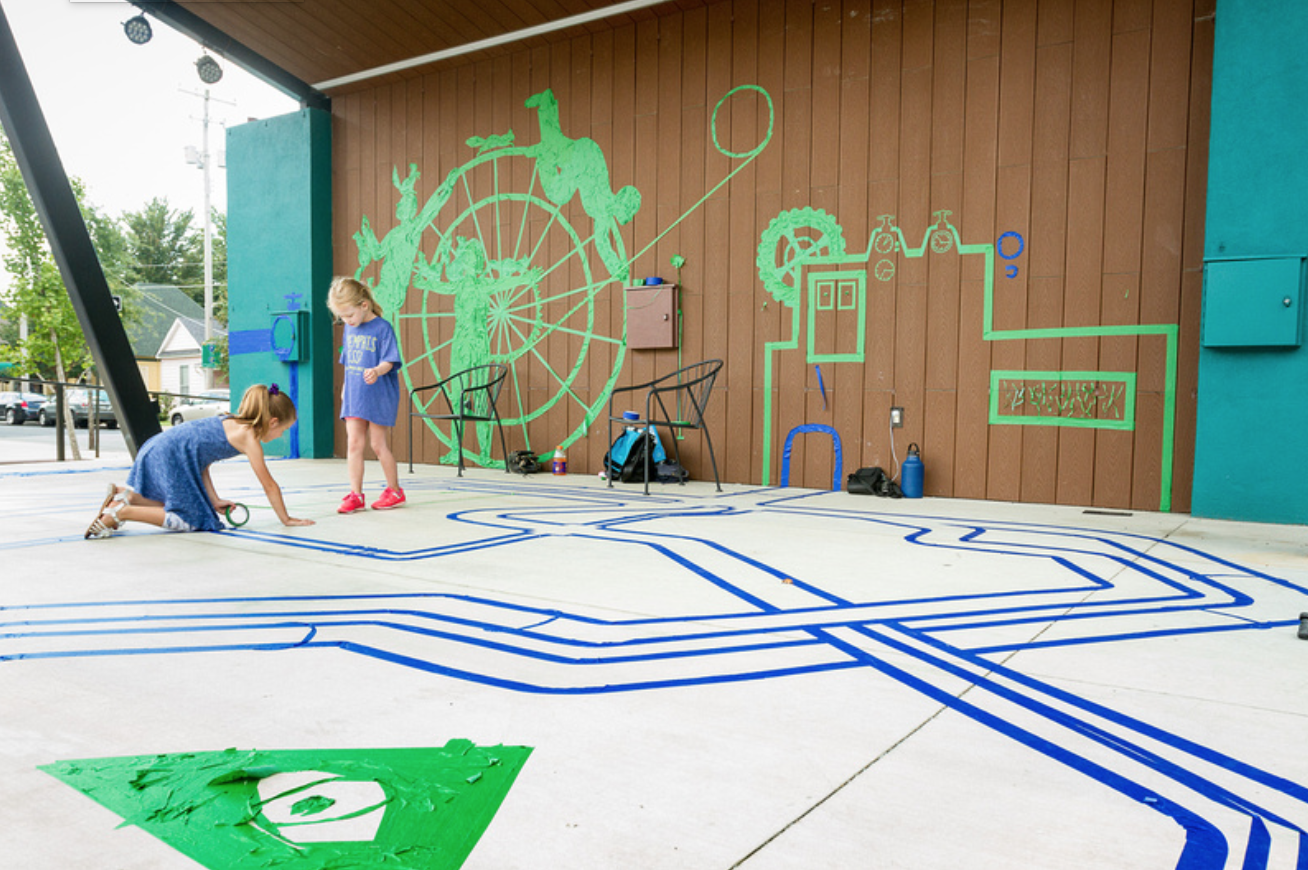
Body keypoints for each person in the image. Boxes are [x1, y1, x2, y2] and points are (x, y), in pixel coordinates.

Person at [85, 383, 314, 538]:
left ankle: (124, 495)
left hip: (161, 447)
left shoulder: (230, 420)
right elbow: (269, 485)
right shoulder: (249, 438)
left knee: (196, 507)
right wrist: (286, 519)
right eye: (283, 429)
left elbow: (202, 460)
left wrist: (213, 500)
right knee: (192, 520)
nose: (281, 435)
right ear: (272, 422)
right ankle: (123, 512)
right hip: (170, 455)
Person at [328, 275, 405, 512]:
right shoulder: (350, 329)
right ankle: (355, 494)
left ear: (364, 305)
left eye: (349, 315)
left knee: (378, 444)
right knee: (354, 443)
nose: (347, 321)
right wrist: (344, 389)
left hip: (378, 394)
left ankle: (395, 490)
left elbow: (390, 361)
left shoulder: (382, 328)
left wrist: (377, 370)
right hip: (354, 395)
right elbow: (348, 361)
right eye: (342, 317)